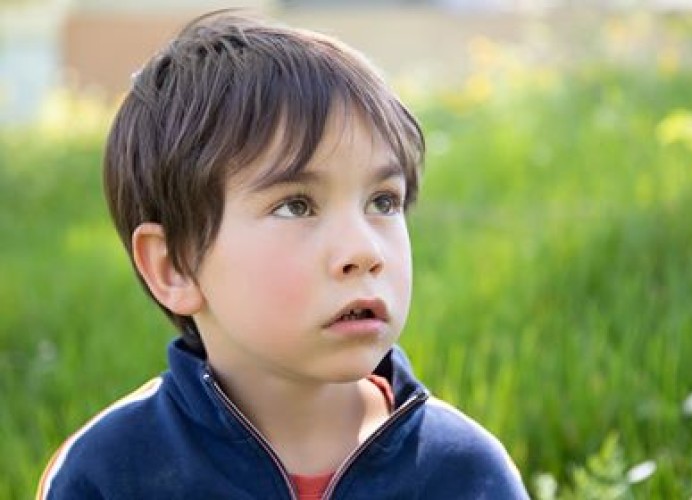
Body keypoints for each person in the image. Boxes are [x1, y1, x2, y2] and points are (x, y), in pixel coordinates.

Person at [36, 11, 529, 499]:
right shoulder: (107, 474)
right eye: (297, 206)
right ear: (175, 265)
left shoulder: (464, 473)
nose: (364, 251)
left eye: (383, 201)